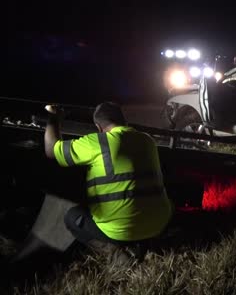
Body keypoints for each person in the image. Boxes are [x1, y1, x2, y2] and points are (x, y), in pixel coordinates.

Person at [43, 102, 173, 265]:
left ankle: (116, 255)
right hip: (158, 224)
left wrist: (54, 117)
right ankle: (142, 245)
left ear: (98, 127)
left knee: (72, 217)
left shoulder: (98, 142)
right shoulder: (147, 140)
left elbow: (51, 150)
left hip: (119, 230)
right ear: (124, 121)